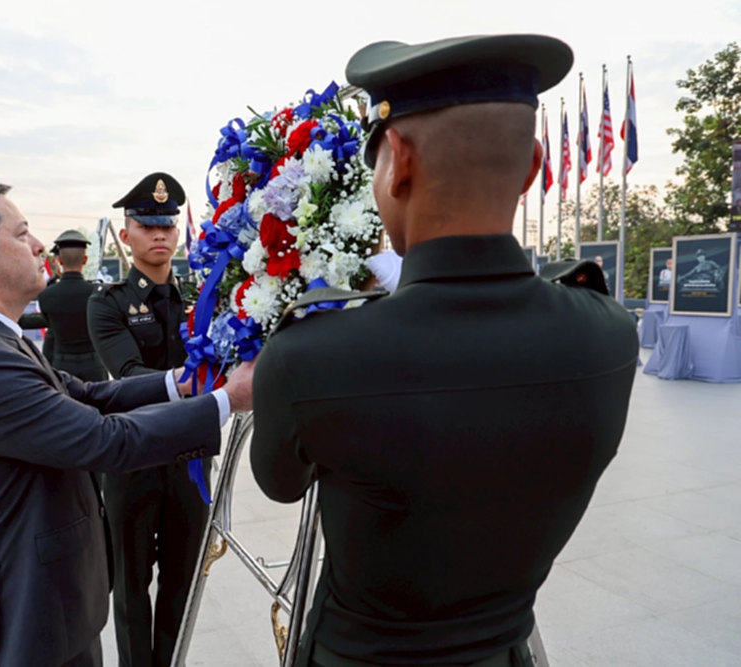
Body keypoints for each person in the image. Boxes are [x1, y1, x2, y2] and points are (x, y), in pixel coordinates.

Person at [250, 34, 639, 667]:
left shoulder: (310, 357)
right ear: (535, 164)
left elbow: (280, 484)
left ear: (397, 160)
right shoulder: (609, 332)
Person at [0, 180, 253, 667]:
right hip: (30, 613)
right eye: (23, 233)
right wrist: (228, 399)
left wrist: (178, 384)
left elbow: (90, 394)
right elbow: (102, 440)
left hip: (57, 600)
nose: (37, 246)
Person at [86, 172, 203, 667]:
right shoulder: (108, 302)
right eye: (147, 224)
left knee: (183, 584)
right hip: (133, 460)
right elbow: (130, 376)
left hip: (192, 462)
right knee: (132, 589)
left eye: (167, 225)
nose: (160, 234)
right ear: (126, 232)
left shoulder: (203, 297)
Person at [20, 229, 108, 381]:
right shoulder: (97, 293)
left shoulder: (47, 295)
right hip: (94, 363)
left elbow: (49, 322)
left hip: (62, 364)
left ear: (59, 260)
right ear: (85, 260)